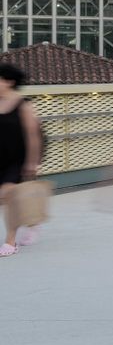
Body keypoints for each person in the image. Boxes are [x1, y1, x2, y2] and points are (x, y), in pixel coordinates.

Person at [0, 63, 44, 256]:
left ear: (9, 82)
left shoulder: (23, 104)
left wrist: (32, 162)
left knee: (9, 195)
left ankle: (10, 242)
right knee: (11, 198)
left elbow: (33, 136)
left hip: (18, 158)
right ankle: (33, 222)